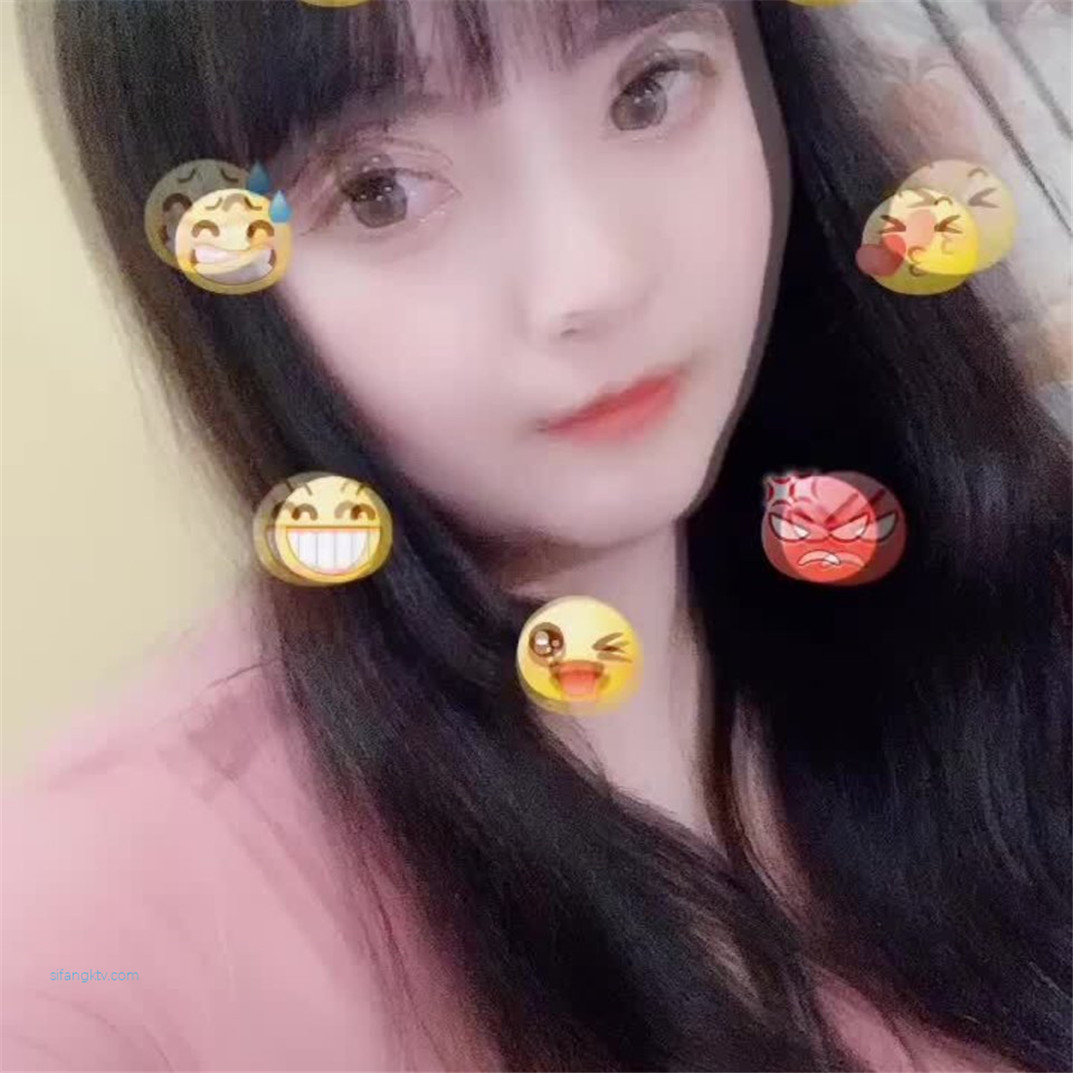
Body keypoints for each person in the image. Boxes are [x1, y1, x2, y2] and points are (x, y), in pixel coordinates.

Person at [3, 1, 1070, 1070]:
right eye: (378, 192)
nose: (593, 277)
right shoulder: (97, 931)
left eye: (647, 90)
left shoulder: (998, 611)